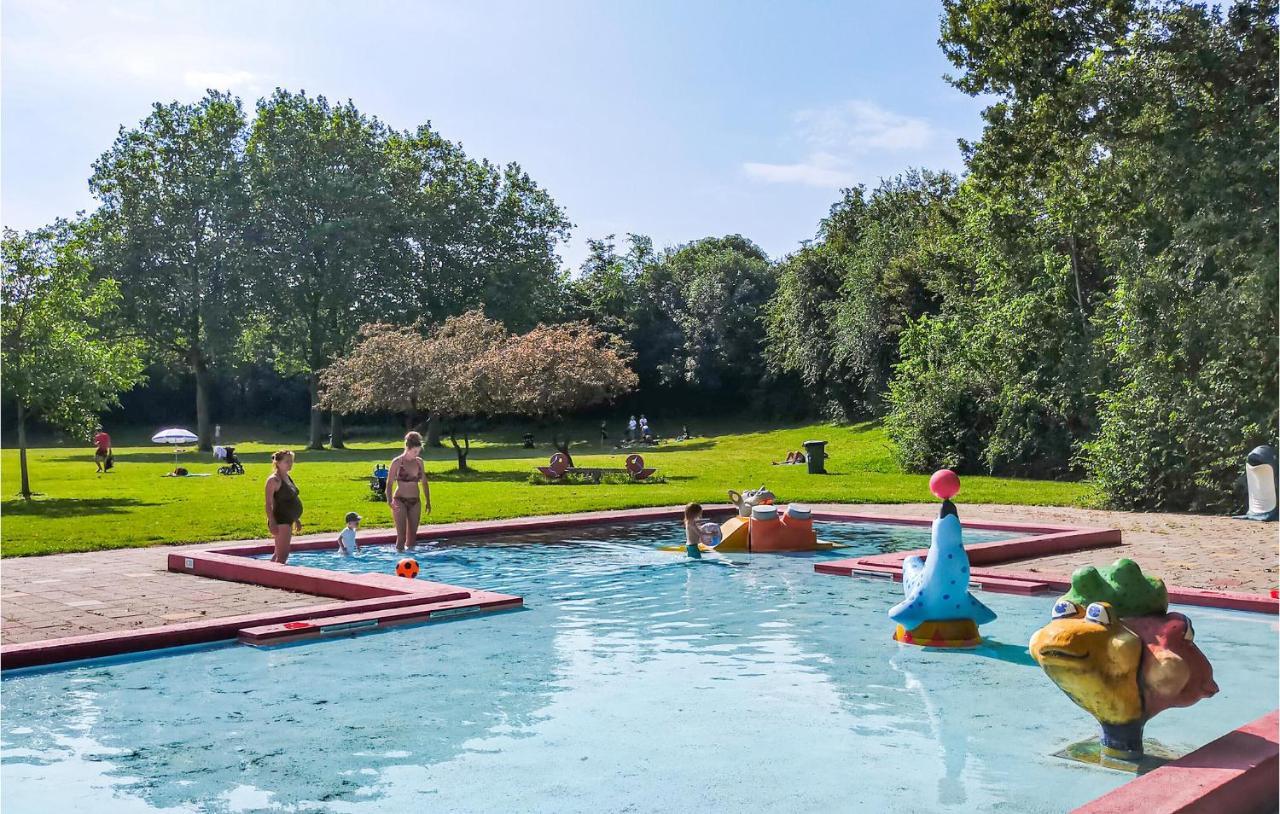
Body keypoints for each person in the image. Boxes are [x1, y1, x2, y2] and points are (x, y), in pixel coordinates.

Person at [388, 431, 431, 552]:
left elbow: (424, 482)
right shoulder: (397, 462)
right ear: (408, 448)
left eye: (418, 451)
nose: (416, 454)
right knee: (401, 537)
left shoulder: (419, 462)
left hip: (415, 501)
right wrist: (389, 500)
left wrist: (428, 501)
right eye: (414, 451)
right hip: (400, 500)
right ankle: (398, 560)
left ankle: (411, 561)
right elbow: (390, 483)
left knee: (412, 538)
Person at [265, 450, 303, 564]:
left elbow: (291, 500)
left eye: (291, 461)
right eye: (287, 461)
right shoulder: (273, 480)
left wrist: (296, 518)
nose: (290, 464)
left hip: (288, 519)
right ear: (278, 463)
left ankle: (267, 575)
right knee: (282, 556)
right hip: (280, 520)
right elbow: (268, 503)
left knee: (277, 554)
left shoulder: (287, 477)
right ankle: (274, 581)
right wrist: (272, 521)